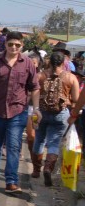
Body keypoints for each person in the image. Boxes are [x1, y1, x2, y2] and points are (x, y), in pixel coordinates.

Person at [0, 31, 39, 194]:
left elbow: (35, 87)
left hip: (18, 112)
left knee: (14, 146)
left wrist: (36, 109)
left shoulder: (28, 64)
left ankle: (11, 181)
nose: (13, 47)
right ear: (5, 44)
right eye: (10, 44)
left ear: (22, 46)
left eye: (17, 45)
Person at [32, 49, 80, 186]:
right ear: (64, 62)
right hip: (61, 114)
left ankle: (36, 170)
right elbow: (76, 98)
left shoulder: (40, 75)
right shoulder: (71, 78)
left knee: (39, 139)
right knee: (54, 142)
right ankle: (48, 168)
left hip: (41, 113)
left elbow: (33, 92)